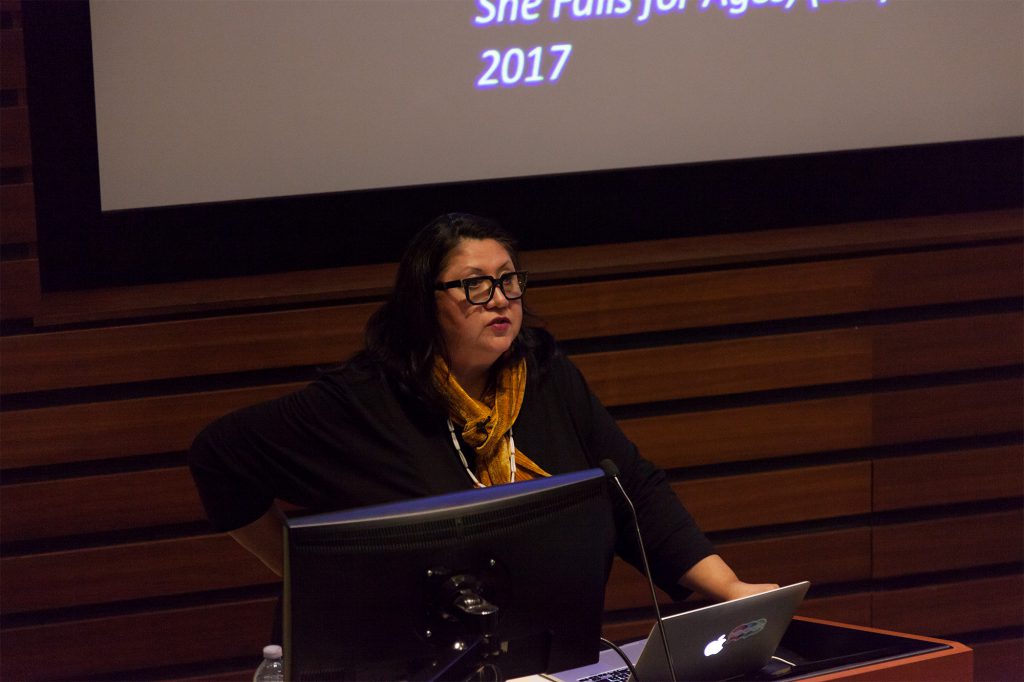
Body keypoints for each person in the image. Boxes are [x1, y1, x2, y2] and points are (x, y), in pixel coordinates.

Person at [188, 212, 775, 603]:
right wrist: (309, 581)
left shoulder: (545, 378)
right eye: (474, 284)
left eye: (508, 280)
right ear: (424, 302)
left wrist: (729, 589)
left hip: (545, 646)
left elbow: (634, 492)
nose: (499, 299)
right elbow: (220, 454)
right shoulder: (365, 401)